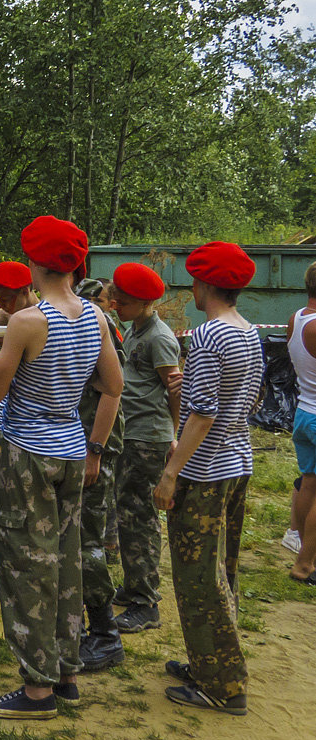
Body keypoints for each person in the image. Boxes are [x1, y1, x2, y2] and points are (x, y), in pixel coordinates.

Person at [0, 215, 122, 720]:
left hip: (30, 454)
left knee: (26, 564)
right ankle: (66, 672)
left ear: (34, 263)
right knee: (66, 560)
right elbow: (112, 386)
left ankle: (35, 690)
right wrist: (96, 447)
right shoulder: (95, 317)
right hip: (74, 449)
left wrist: (7, 363)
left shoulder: (27, 321)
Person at [153, 241, 263, 716]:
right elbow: (249, 399)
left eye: (194, 281)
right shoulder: (248, 332)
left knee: (198, 577)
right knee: (223, 570)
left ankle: (223, 685)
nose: (191, 288)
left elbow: (201, 412)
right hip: (237, 462)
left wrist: (170, 473)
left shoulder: (207, 336)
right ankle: (210, 663)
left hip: (204, 471)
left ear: (204, 285)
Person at [108, 263, 183, 635]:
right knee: (127, 512)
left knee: (139, 517)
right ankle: (135, 584)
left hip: (148, 437)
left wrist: (172, 435)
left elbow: (175, 391)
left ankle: (146, 601)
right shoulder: (133, 328)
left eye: (122, 300)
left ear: (143, 302)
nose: (115, 304)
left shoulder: (160, 338)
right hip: (130, 432)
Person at [74, 274, 127, 673]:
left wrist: (95, 452)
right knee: (77, 537)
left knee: (88, 541)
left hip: (97, 447)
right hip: (81, 444)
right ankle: (82, 627)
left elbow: (113, 391)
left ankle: (106, 634)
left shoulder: (99, 327)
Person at [284, 262, 316, 586]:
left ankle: (299, 542)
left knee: (309, 483)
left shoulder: (297, 317)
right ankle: (305, 565)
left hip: (304, 411)